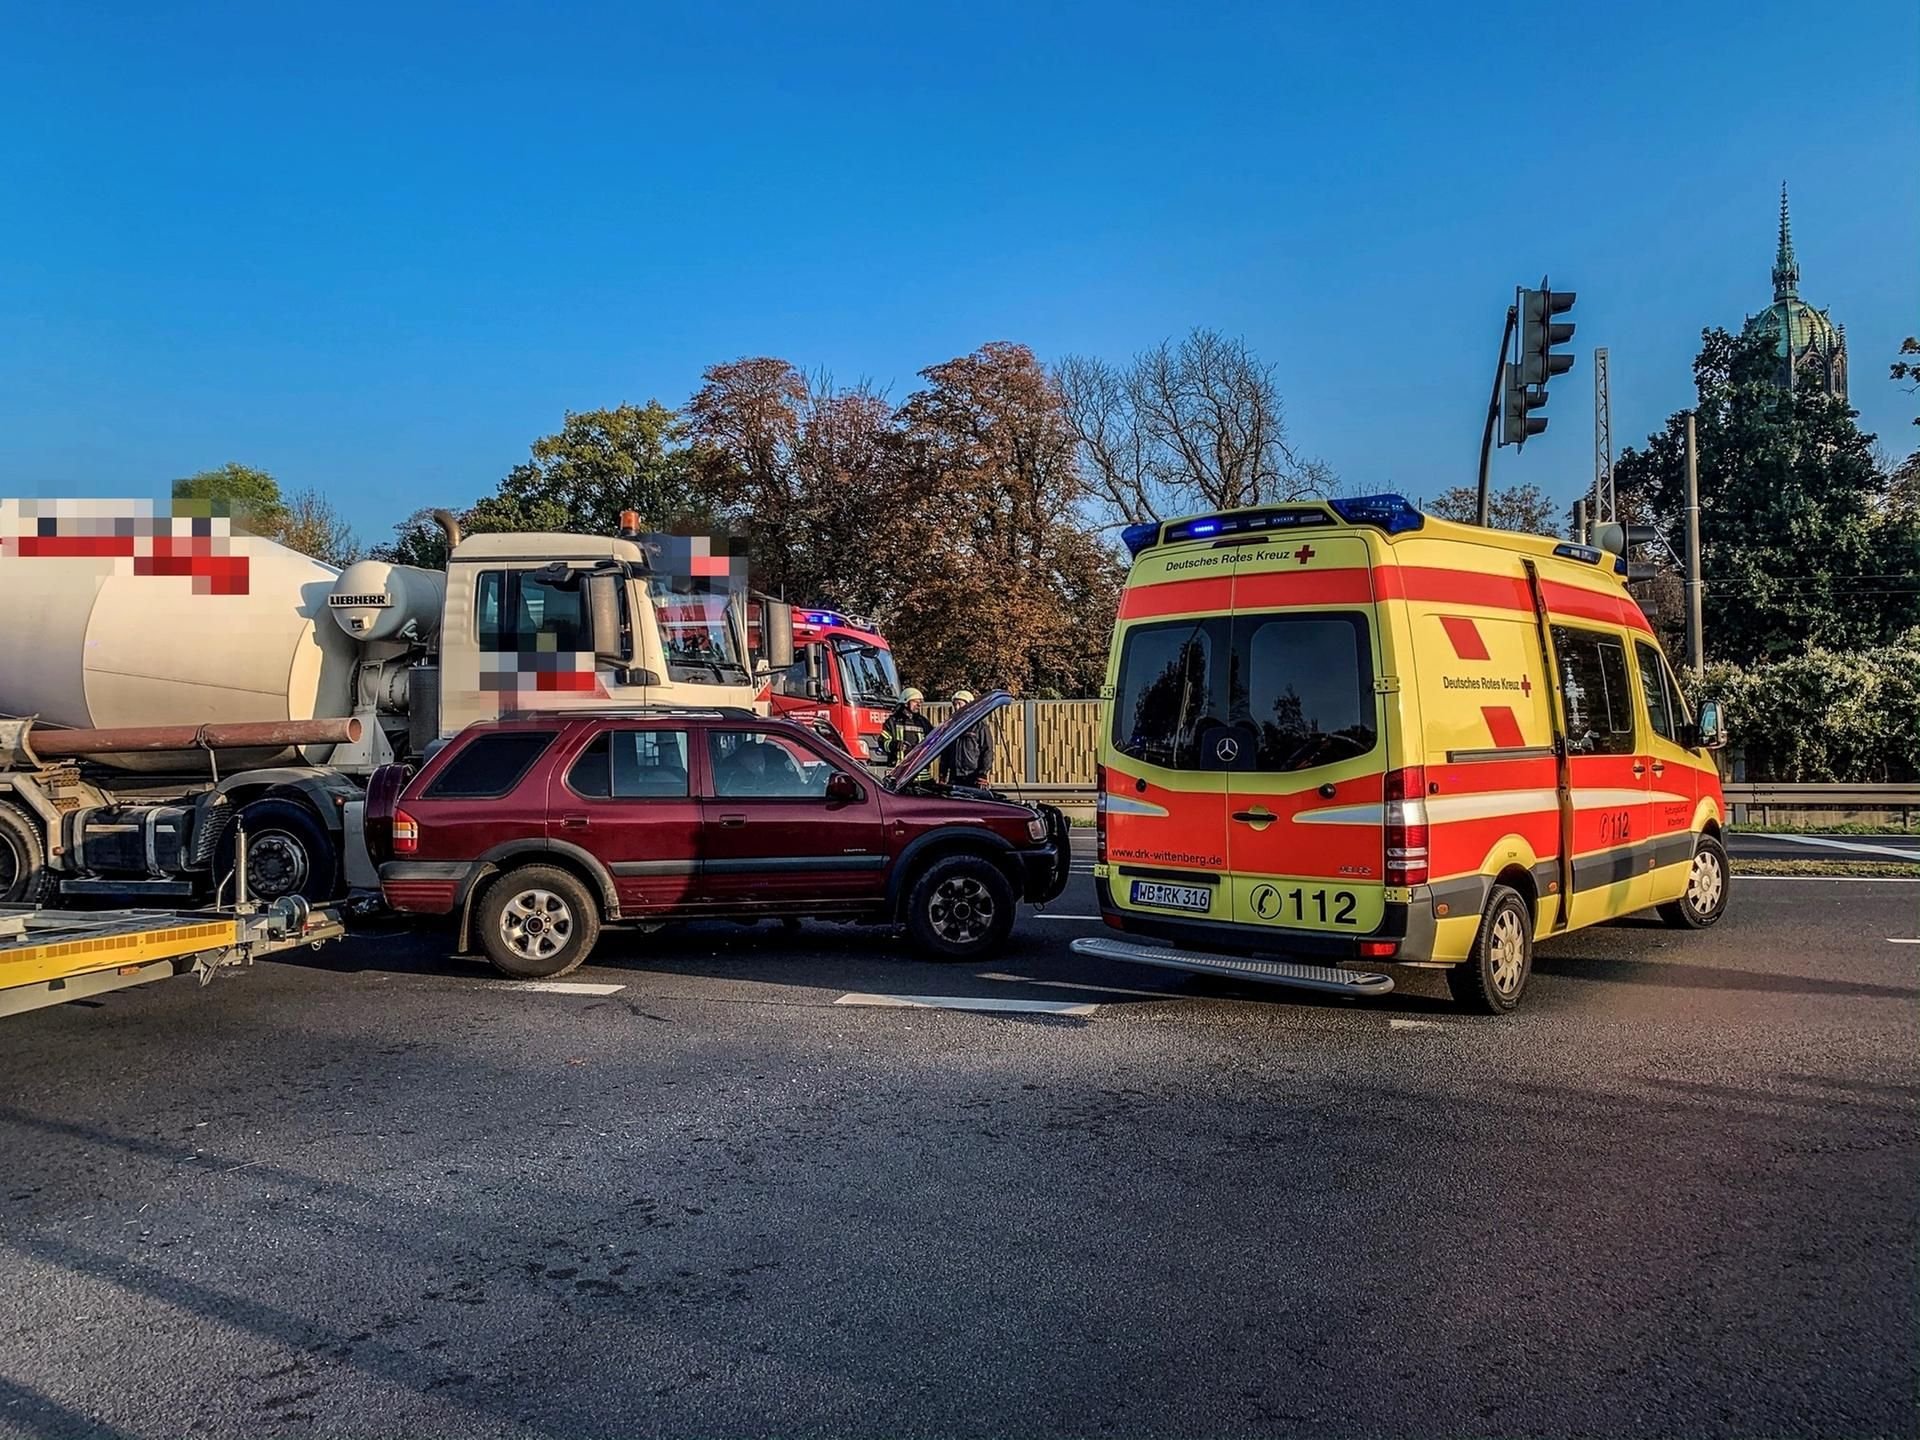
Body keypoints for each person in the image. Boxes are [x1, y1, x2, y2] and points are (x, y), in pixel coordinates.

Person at [941, 688, 996, 788]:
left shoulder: (979, 726)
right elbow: (945, 752)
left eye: (960, 704)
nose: (957, 707)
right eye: (955, 704)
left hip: (972, 776)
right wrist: (942, 773)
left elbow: (987, 751)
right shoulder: (951, 727)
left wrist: (982, 774)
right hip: (954, 776)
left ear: (969, 705)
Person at [883, 687, 931, 765]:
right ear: (905, 702)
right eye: (915, 701)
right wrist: (896, 745)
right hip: (899, 770)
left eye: (920, 702)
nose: (919, 705)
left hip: (920, 770)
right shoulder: (892, 722)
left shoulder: (923, 722)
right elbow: (883, 743)